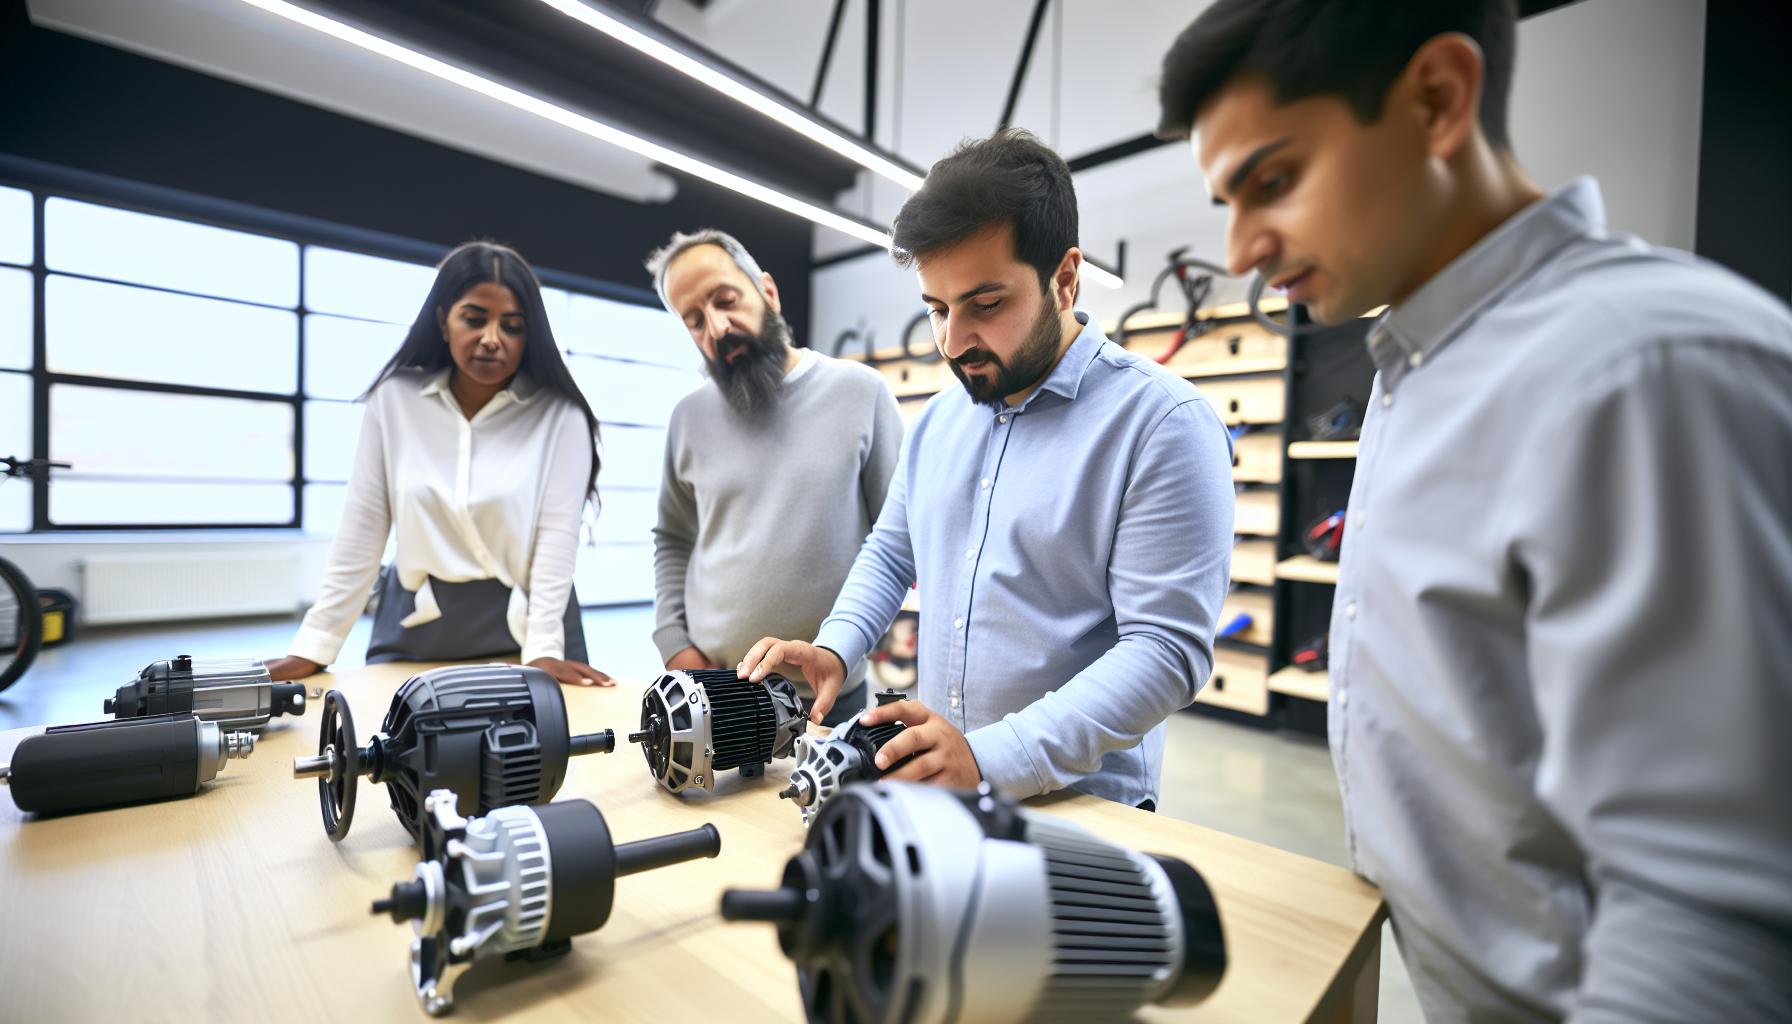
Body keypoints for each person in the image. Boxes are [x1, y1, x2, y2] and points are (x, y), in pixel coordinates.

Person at [1157, 1, 1792, 1019]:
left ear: (1438, 100)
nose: (1237, 250)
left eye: (1271, 181)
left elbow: (1706, 924)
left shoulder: (1651, 372)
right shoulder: (1412, 369)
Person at [738, 130, 1236, 807]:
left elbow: (1165, 653)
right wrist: (837, 648)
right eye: (937, 309)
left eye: (986, 304)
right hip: (941, 783)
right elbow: (891, 553)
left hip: (1081, 806)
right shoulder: (941, 421)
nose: (952, 340)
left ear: (1064, 278)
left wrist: (990, 757)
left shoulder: (1162, 424)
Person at [266, 241, 612, 688]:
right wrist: (312, 646)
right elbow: (363, 526)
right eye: (474, 319)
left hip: (529, 622)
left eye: (512, 326)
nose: (492, 338)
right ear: (443, 321)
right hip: (418, 619)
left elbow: (556, 539)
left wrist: (544, 647)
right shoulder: (394, 400)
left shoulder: (560, 416)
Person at [644, 229, 901, 726]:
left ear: (767, 290)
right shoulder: (688, 417)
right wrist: (674, 644)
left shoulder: (861, 393)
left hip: (827, 700)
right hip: (714, 694)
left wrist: (848, 645)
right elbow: (672, 539)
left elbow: (895, 545)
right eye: (694, 320)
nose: (716, 328)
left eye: (726, 300)